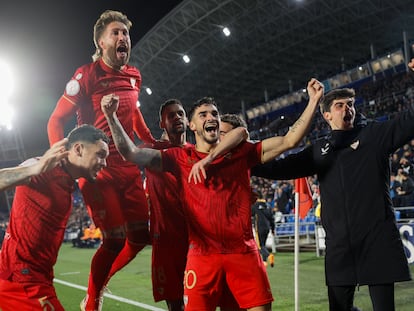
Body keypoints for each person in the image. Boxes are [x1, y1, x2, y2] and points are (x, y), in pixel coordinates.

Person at [100, 77, 323, 310]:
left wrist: (313, 101)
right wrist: (111, 117)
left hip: (243, 253)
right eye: (203, 115)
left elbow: (288, 140)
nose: (211, 118)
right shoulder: (179, 159)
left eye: (214, 114)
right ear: (193, 126)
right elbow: (131, 153)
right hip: (202, 257)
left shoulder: (241, 152)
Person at [251, 62, 414, 310]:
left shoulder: (375, 135)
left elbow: (410, 120)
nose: (347, 109)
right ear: (327, 115)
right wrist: (247, 161)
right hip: (340, 248)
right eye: (339, 106)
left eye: (350, 104)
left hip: (377, 242)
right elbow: (280, 168)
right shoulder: (319, 150)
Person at [47, 10, 155, 310]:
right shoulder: (85, 76)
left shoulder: (134, 76)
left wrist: (152, 140)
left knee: (140, 237)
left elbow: (135, 117)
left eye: (126, 34)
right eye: (116, 33)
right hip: (98, 169)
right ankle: (92, 302)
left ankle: (99, 284)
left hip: (130, 167)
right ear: (100, 41)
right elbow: (55, 121)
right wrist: (63, 161)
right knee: (114, 239)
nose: (123, 38)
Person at [0, 125, 109, 311]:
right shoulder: (41, 166)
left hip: (38, 276)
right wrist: (35, 168)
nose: (104, 163)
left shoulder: (67, 181)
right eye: (100, 154)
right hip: (23, 277)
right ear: (78, 149)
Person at [143, 99, 191, 310]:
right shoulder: (153, 150)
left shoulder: (197, 151)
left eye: (180, 113)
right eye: (171, 115)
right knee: (175, 303)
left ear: (188, 120)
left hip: (196, 236)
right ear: (162, 124)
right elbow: (124, 149)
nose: (177, 117)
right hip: (166, 239)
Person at [251, 190, 275, 267]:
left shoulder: (255, 206)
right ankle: (264, 262)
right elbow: (272, 219)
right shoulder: (268, 206)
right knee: (263, 244)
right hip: (267, 228)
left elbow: (249, 214)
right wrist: (273, 229)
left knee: (260, 246)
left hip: (259, 227)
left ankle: (268, 256)